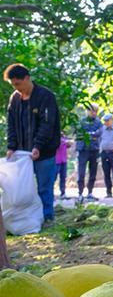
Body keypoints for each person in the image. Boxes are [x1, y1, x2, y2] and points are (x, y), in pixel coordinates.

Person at [3, 63, 61, 223]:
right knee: (23, 189)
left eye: (18, 84)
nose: (16, 88)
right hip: (22, 153)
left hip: (44, 152)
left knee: (44, 187)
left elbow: (47, 125)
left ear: (27, 78)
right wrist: (11, 147)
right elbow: (11, 124)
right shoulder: (14, 99)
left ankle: (47, 217)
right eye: (13, 85)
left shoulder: (45, 96)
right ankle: (27, 219)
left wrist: (38, 146)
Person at [76, 103, 102, 201]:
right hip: (83, 150)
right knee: (81, 172)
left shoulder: (99, 123)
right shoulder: (81, 122)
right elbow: (80, 134)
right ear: (88, 111)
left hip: (94, 150)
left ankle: (90, 192)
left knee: (93, 172)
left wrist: (89, 135)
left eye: (95, 111)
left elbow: (99, 134)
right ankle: (80, 193)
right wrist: (91, 135)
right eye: (92, 111)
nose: (94, 113)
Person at [55, 132, 71, 199]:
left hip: (63, 160)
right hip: (56, 160)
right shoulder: (55, 137)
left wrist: (68, 143)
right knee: (54, 177)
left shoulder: (64, 137)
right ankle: (51, 194)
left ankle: (63, 193)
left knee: (63, 177)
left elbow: (68, 146)